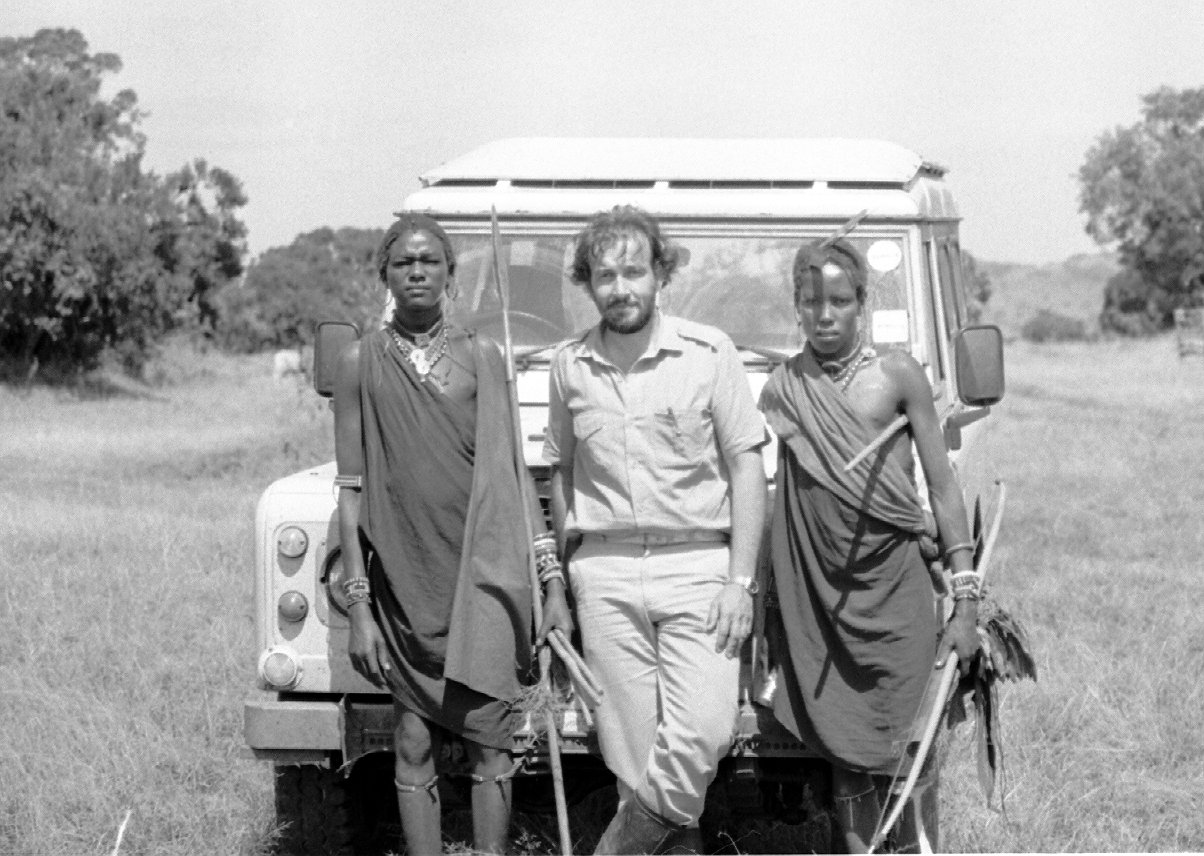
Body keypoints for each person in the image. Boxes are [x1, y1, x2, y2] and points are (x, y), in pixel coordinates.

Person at [332, 213, 565, 855]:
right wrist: (359, 606)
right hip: (406, 583)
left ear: (450, 274)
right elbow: (350, 490)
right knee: (412, 738)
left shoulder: (483, 357)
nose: (416, 272)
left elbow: (516, 476)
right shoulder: (359, 363)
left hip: (484, 573)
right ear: (385, 273)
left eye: (429, 261)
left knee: (490, 738)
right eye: (403, 262)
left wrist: (548, 580)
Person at [539, 204, 768, 855]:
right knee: (633, 761)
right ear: (587, 282)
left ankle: (615, 848)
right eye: (605, 275)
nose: (620, 288)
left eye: (634, 271)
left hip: (698, 567)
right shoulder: (568, 366)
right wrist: (560, 579)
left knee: (701, 733)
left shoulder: (709, 352)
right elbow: (560, 472)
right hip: (604, 575)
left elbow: (748, 471)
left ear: (659, 273)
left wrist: (740, 581)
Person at [757, 238, 980, 853]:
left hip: (898, 594)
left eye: (838, 301)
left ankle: (918, 846)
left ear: (863, 302)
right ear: (796, 308)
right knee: (848, 757)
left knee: (910, 741)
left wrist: (965, 600)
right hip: (823, 607)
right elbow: (789, 510)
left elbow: (942, 488)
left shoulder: (898, 376)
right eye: (810, 302)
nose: (823, 315)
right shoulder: (785, 389)